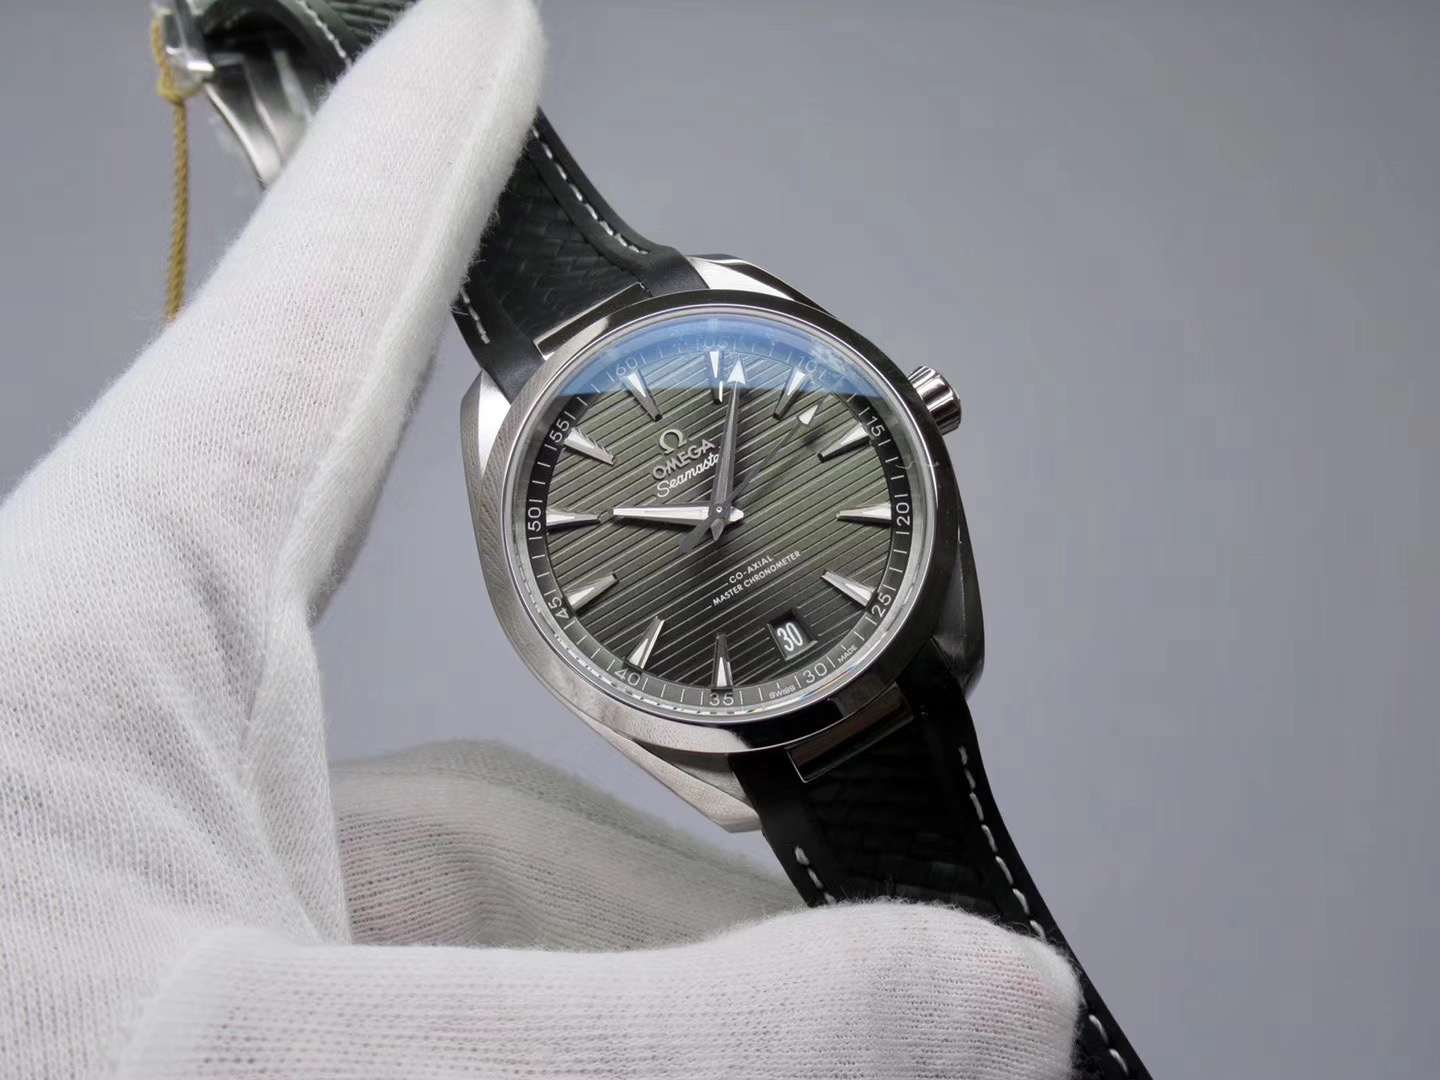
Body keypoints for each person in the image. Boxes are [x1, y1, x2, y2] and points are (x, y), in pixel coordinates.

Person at [0, 1, 1081, 1075]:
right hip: (763, 677)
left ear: (913, 410)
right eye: (704, 516)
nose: (717, 521)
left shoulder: (725, 333)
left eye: (720, 510)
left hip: (840, 653)